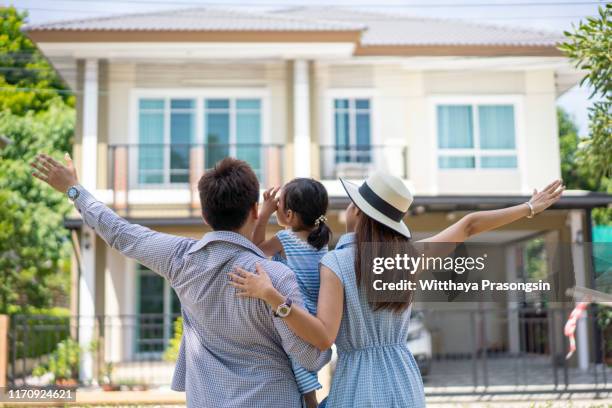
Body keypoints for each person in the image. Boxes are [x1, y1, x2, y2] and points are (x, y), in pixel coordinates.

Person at [230, 172, 564, 407]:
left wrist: (273, 297)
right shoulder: (408, 259)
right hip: (405, 378)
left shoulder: (335, 264)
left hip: (358, 383)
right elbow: (469, 224)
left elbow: (322, 337)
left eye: (351, 203)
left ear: (358, 213)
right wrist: (530, 208)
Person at [31, 153, 331, 408]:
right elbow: (310, 357)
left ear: (204, 214)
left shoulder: (181, 258)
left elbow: (120, 233)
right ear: (255, 210)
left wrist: (73, 189)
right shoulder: (276, 276)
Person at [252, 178, 332, 408]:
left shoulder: (286, 239)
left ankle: (310, 401)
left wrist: (264, 213)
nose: (275, 206)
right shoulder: (321, 239)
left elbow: (255, 249)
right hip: (317, 312)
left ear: (290, 215)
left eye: (278, 205)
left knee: (295, 356)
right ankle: (310, 399)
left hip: (297, 308)